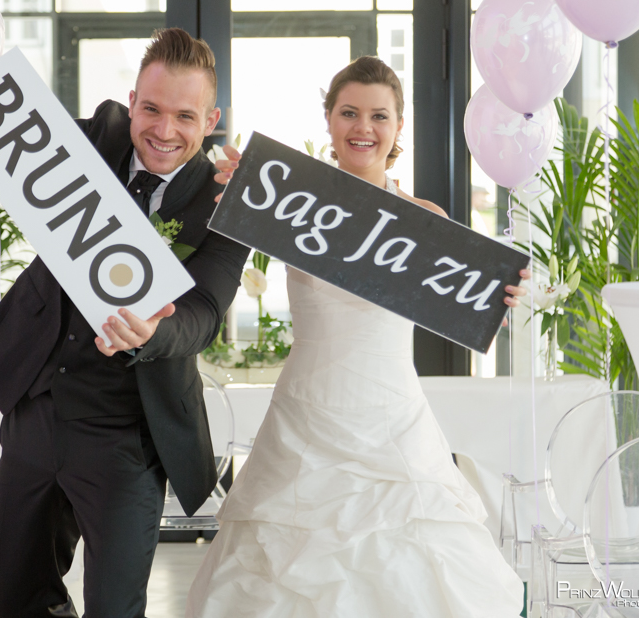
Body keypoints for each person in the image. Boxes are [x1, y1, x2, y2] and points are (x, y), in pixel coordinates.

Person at [186, 56, 528, 618]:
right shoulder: (291, 203)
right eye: (348, 112)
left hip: (392, 415)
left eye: (378, 115)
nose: (362, 127)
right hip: (305, 412)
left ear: (397, 129)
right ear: (328, 120)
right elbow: (222, 226)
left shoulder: (424, 219)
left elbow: (468, 298)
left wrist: (500, 297)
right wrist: (236, 187)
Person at [0, 28, 250, 618]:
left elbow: (203, 313)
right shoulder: (97, 137)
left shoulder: (227, 205)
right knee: (17, 599)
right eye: (150, 109)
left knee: (114, 609)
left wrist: (156, 334)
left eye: (184, 115)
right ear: (131, 102)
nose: (164, 130)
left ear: (211, 120)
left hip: (129, 433)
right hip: (38, 407)